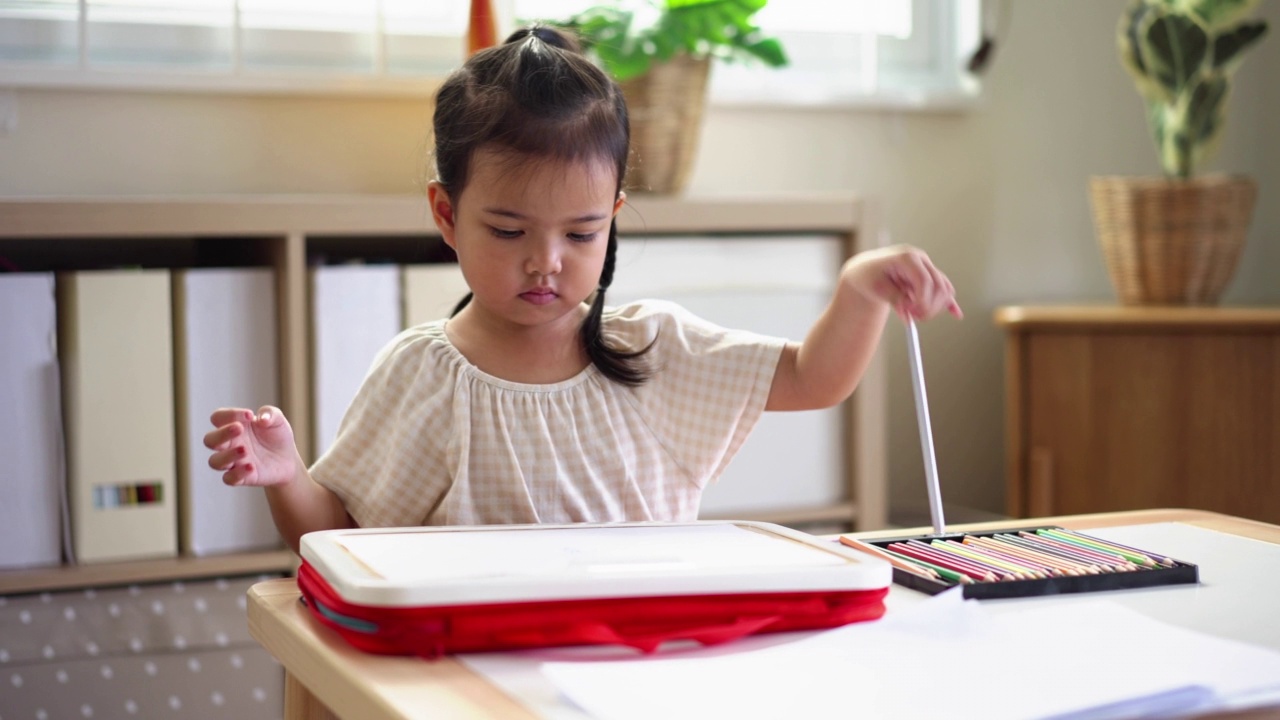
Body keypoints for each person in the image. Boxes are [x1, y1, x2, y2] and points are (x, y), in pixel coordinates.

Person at [204, 25, 962, 553]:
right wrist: (286, 475)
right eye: (508, 232)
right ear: (446, 215)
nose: (546, 263)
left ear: (614, 220)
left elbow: (812, 378)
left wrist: (861, 290)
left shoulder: (652, 348)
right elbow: (337, 538)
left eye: (580, 234)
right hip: (476, 676)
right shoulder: (419, 373)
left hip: (643, 664)